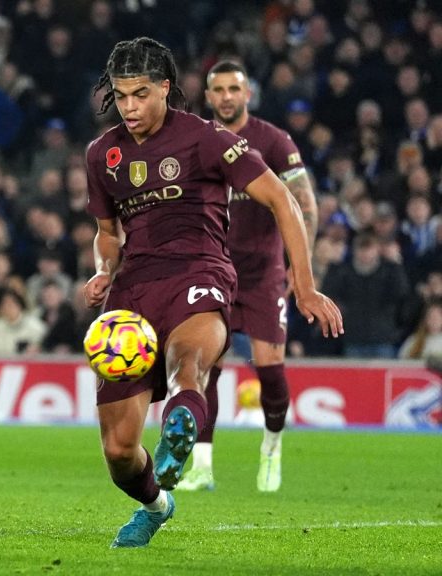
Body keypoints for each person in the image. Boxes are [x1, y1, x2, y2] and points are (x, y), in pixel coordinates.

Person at [83, 38, 342, 548]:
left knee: (189, 365)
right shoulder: (102, 153)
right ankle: (157, 505)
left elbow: (283, 201)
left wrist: (305, 285)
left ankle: (182, 425)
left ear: (165, 88)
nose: (130, 107)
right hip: (133, 290)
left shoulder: (206, 138)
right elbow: (108, 232)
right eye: (120, 96)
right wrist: (102, 268)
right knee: (118, 451)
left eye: (140, 94)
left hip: (199, 271)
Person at [177, 60, 319, 494]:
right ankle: (202, 467)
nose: (225, 96)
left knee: (270, 369)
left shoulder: (273, 141)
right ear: (208, 96)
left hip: (262, 272)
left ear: (247, 94)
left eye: (233, 89)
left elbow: (305, 206)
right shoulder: (197, 141)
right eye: (217, 89)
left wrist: (301, 266)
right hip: (213, 269)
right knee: (206, 367)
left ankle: (272, 447)